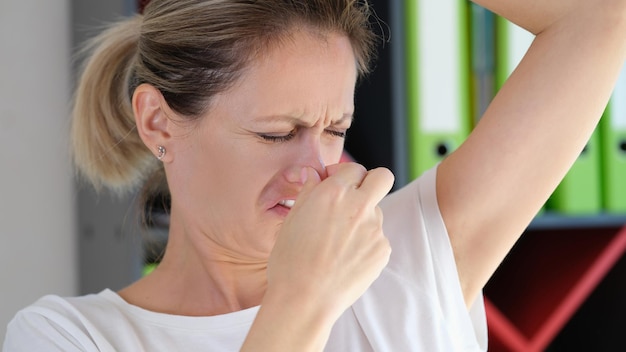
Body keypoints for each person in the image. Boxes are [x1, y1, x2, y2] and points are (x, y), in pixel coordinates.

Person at [4, 0, 626, 350]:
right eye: (276, 133)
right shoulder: (69, 337)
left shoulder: (406, 258)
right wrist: (303, 300)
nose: (317, 169)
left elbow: (598, 19)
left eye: (336, 130)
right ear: (159, 124)